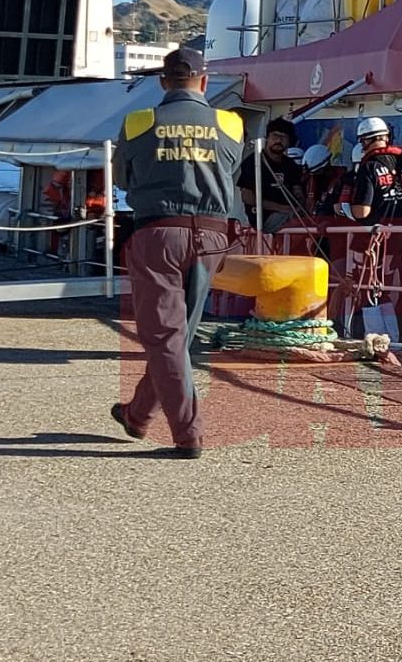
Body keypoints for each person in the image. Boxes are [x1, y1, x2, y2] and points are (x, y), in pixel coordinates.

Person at [109, 47, 246, 458]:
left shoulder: (137, 122)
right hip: (213, 237)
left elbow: (122, 177)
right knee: (177, 336)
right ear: (204, 82)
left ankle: (188, 436)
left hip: (158, 235)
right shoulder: (231, 123)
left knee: (166, 336)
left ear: (163, 82)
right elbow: (231, 173)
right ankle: (137, 415)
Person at [342, 117, 402, 223]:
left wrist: (344, 206)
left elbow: (362, 211)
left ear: (367, 140)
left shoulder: (369, 167)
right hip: (399, 236)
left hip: (373, 236)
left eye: (362, 141)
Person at [238, 117, 307, 234]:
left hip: (289, 215)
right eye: (275, 136)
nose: (279, 140)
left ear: (289, 142)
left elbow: (297, 191)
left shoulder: (291, 165)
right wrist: (282, 208)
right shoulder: (253, 162)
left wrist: (300, 204)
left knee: (313, 223)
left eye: (283, 137)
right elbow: (247, 197)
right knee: (301, 225)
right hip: (262, 218)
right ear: (267, 138)